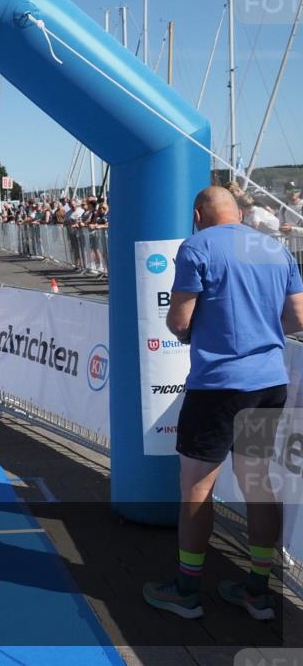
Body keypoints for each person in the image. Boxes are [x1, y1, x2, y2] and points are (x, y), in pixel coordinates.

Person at [143, 186, 303, 620]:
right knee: (258, 483)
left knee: (196, 486)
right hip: (269, 381)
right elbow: (297, 318)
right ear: (240, 212)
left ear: (198, 214)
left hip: (217, 386)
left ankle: (187, 590)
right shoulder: (276, 249)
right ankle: (257, 592)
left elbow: (179, 320)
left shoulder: (197, 247)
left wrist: (197, 333)